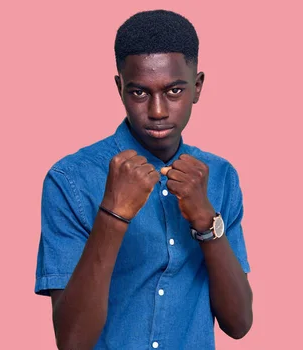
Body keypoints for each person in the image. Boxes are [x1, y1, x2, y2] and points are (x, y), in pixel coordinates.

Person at [34, 9, 253, 349]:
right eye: (139, 93)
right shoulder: (70, 180)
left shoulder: (221, 176)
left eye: (174, 91)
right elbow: (72, 341)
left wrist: (207, 222)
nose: (158, 111)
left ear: (197, 87)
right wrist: (113, 215)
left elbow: (239, 323)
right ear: (120, 88)